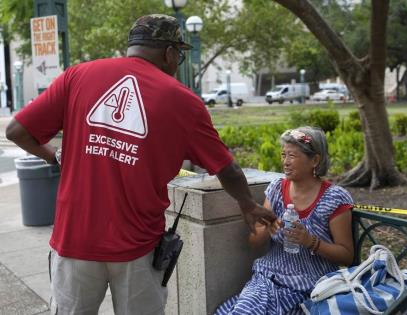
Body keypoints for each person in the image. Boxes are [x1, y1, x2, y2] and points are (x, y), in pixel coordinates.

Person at [5, 14, 276, 315]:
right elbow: (228, 169)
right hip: (138, 249)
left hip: (74, 240)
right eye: (180, 55)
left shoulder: (78, 75)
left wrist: (54, 155)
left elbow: (16, 132)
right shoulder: (184, 102)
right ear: (170, 52)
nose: (179, 62)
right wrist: (247, 204)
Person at [215, 126, 354, 315]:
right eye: (283, 155)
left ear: (315, 160)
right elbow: (254, 241)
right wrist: (268, 229)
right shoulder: (277, 189)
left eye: (292, 156)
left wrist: (310, 241)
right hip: (268, 279)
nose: (285, 162)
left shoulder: (334, 198)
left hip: (310, 287)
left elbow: (346, 255)